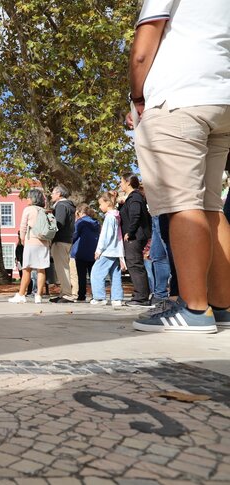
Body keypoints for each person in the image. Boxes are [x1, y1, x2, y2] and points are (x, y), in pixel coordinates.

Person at [128, 0, 229, 333]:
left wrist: (138, 97)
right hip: (220, 98)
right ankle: (222, 306)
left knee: (183, 204)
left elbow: (143, 51)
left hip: (178, 99)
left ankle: (195, 310)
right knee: (211, 207)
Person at [9, 189, 50, 304]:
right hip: (44, 243)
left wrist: (22, 240)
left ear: (33, 199)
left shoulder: (28, 210)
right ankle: (39, 296)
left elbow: (23, 227)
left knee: (27, 269)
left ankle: (21, 294)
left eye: (28, 197)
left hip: (31, 242)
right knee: (41, 269)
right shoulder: (45, 211)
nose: (27, 199)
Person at [118, 173, 152, 307]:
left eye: (121, 181)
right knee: (134, 264)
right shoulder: (132, 198)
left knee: (135, 264)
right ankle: (140, 294)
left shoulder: (135, 197)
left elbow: (135, 215)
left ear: (128, 182)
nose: (120, 184)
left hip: (135, 236)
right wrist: (121, 204)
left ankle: (141, 297)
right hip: (134, 236)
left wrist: (130, 232)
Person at [90, 192, 125, 308]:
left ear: (108, 203)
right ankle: (117, 298)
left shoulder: (109, 217)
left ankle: (99, 297)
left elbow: (106, 236)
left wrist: (99, 250)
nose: (100, 207)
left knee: (96, 272)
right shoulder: (116, 216)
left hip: (108, 251)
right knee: (115, 274)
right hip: (116, 250)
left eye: (101, 204)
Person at [49, 185, 77, 303]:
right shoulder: (69, 205)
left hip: (60, 240)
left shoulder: (61, 205)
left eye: (53, 193)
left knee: (61, 268)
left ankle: (66, 294)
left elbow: (59, 224)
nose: (51, 195)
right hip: (67, 240)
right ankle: (64, 293)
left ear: (59, 194)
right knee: (63, 267)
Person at [71, 204, 100, 302]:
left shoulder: (80, 222)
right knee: (93, 274)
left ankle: (81, 295)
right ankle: (95, 294)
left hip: (81, 251)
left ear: (78, 212)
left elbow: (74, 235)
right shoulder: (96, 223)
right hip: (93, 251)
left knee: (81, 275)